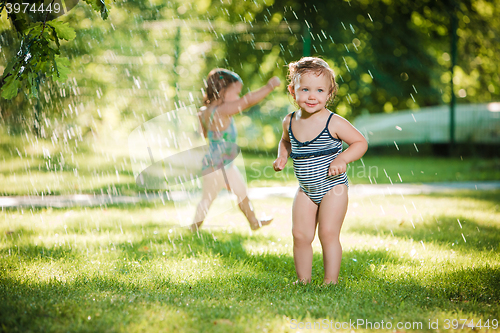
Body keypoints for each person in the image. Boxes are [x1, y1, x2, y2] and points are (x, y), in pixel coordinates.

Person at [273, 57, 368, 285]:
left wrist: (343, 158)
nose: (311, 96)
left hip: (332, 187)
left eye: (319, 90)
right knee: (300, 235)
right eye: (304, 89)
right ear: (292, 91)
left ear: (329, 93)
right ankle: (303, 280)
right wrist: (282, 155)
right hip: (306, 189)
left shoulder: (333, 122)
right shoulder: (289, 121)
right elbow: (285, 141)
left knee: (328, 233)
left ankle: (330, 281)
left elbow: (360, 143)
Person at [190, 68, 281, 232]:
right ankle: (194, 228)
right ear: (222, 91)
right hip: (220, 165)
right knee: (217, 198)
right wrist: (268, 87)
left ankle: (253, 222)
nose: (238, 97)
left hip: (215, 162)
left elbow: (205, 134)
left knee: (235, 193)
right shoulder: (222, 111)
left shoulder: (205, 112)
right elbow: (247, 101)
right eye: (236, 92)